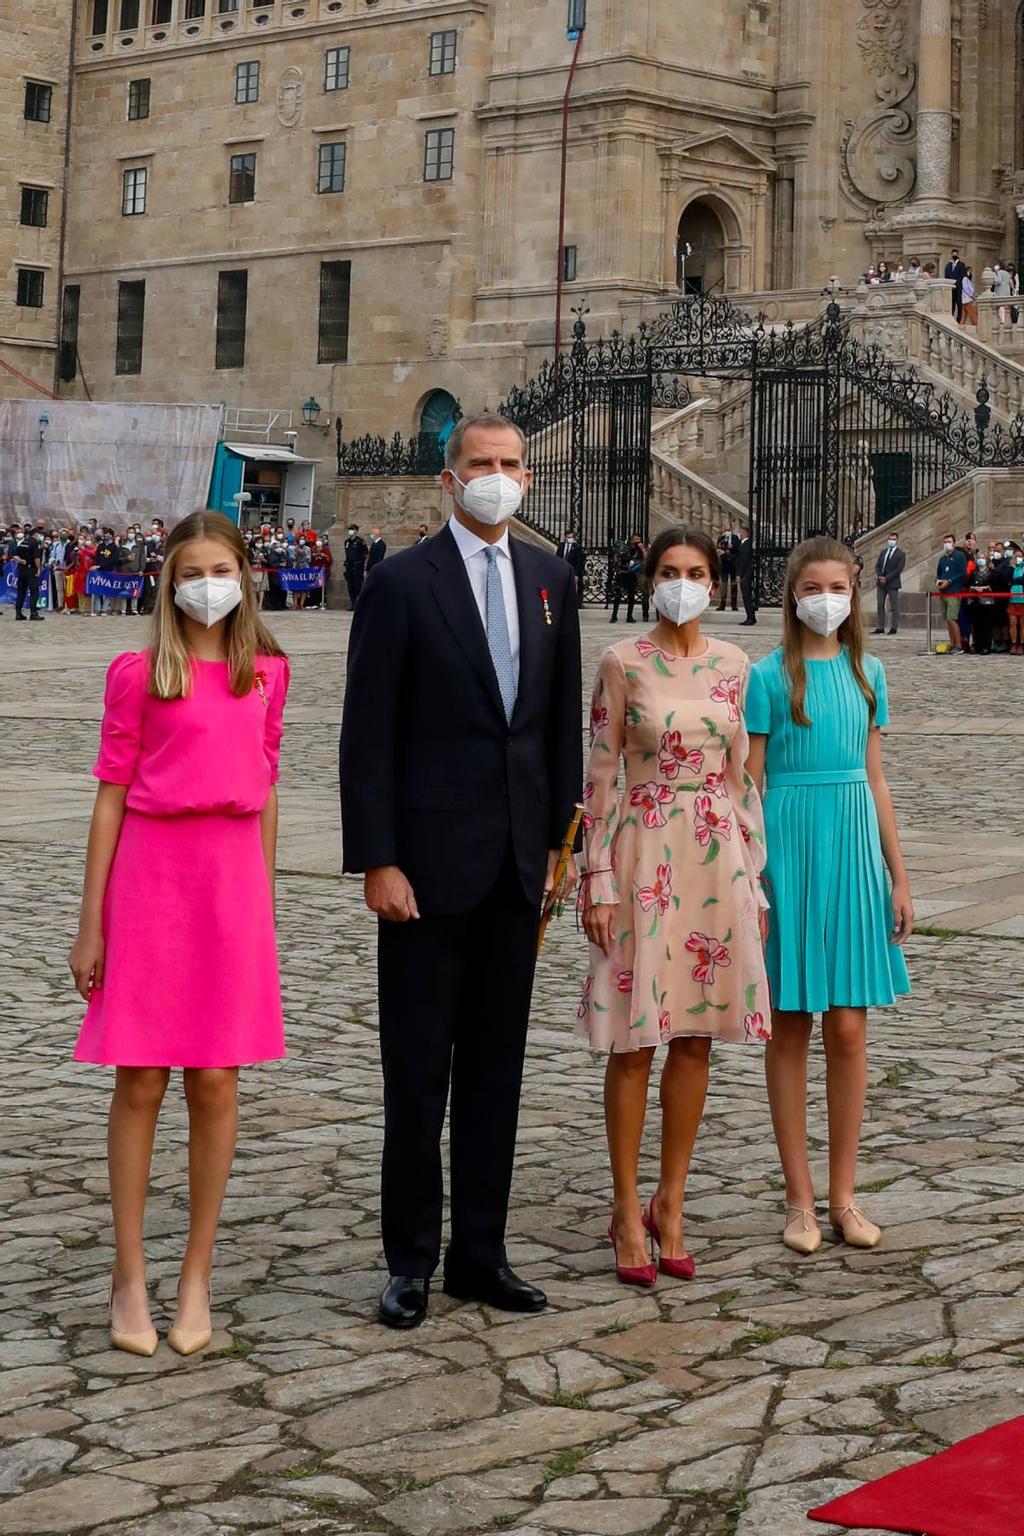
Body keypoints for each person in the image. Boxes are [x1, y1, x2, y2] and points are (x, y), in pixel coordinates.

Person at [339, 412, 582, 1330]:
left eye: (511, 464)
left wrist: (561, 847)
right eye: (481, 463)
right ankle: (410, 1258)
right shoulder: (403, 583)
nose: (497, 477)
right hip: (426, 871)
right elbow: (368, 736)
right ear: (450, 479)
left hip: (519, 866)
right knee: (417, 1074)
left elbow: (556, 727)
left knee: (496, 1072)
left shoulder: (552, 579)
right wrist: (378, 859)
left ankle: (481, 1252)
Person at [68, 510, 289, 1358]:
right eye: (192, 571)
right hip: (152, 877)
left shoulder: (268, 673)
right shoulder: (139, 672)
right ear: (170, 580)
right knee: (141, 1081)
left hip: (230, 882)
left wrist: (263, 911)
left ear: (244, 575)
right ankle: (129, 1272)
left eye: (221, 569)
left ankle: (196, 1272)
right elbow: (111, 795)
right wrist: (91, 923)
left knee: (218, 1082)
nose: (208, 585)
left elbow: (266, 791)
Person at [578, 527, 771, 1287]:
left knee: (697, 1039)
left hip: (716, 856)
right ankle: (625, 1207)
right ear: (649, 578)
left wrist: (752, 874)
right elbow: (598, 777)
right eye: (668, 571)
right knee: (635, 1040)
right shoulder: (621, 662)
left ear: (714, 584)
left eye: (694, 572)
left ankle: (672, 1199)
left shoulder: (734, 666)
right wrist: (595, 877)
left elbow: (740, 779)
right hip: (642, 852)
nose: (681, 582)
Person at [745, 537, 912, 1256]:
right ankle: (799, 1198)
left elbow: (875, 779)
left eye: (837, 586)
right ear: (792, 595)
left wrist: (898, 873)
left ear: (854, 593)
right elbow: (747, 783)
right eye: (812, 586)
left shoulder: (868, 671)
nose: (825, 598)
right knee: (790, 1025)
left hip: (849, 850)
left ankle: (845, 1195)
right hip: (785, 848)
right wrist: (747, 875)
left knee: (847, 1027)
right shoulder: (766, 676)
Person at [935, 534, 967, 652]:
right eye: (945, 542)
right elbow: (939, 573)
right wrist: (938, 581)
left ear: (954, 543)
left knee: (952, 618)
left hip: (954, 591)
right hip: (943, 592)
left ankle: (958, 645)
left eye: (949, 541)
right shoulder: (942, 558)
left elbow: (963, 574)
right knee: (947, 619)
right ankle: (952, 642)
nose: (947, 544)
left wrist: (950, 581)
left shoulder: (959, 556)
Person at [610, 534, 648, 624]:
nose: (637, 541)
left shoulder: (640, 549)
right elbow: (617, 557)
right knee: (618, 594)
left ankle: (629, 616)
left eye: (639, 539)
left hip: (633, 573)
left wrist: (642, 549)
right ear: (631, 539)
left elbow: (647, 559)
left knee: (631, 596)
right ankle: (614, 616)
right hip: (622, 572)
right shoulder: (624, 547)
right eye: (635, 539)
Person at [873, 530, 905, 635]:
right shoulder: (883, 552)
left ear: (897, 540)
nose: (892, 541)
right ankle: (880, 626)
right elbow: (877, 565)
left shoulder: (900, 554)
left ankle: (894, 627)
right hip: (881, 583)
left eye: (894, 539)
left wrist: (887, 578)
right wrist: (880, 576)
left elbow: (898, 569)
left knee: (894, 606)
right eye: (890, 539)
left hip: (892, 583)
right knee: (880, 604)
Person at [967, 552, 995, 655]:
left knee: (987, 625)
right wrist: (974, 588)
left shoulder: (991, 572)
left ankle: (986, 646)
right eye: (979, 558)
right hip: (975, 602)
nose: (980, 559)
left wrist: (984, 588)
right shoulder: (973, 573)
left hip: (988, 602)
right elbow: (968, 585)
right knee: (976, 624)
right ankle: (976, 645)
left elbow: (994, 585)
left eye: (983, 558)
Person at [13, 524, 44, 621]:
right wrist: (38, 569)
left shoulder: (23, 542)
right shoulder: (34, 542)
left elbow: (15, 555)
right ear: (35, 534)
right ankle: (33, 613)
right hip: (31, 570)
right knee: (34, 591)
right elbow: (37, 558)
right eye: (38, 535)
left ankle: (18, 614)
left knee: (21, 592)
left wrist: (21, 561)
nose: (39, 536)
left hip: (22, 570)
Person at [555, 527, 586, 607]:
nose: (570, 539)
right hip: (562, 570)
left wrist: (576, 574)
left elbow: (578, 562)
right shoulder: (561, 546)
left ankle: (575, 603)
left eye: (571, 537)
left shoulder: (576, 547)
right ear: (565, 537)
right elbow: (557, 557)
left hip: (572, 570)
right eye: (568, 537)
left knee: (573, 588)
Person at [716, 523, 740, 611]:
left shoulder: (735, 538)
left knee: (734, 585)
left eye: (728, 528)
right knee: (723, 585)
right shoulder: (720, 538)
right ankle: (722, 604)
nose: (726, 530)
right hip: (724, 564)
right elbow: (718, 548)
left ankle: (734, 604)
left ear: (731, 528)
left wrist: (732, 548)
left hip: (733, 564)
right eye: (725, 528)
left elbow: (738, 551)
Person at [344, 524, 368, 609]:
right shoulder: (347, 542)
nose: (350, 531)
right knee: (350, 586)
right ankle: (353, 604)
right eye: (349, 529)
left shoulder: (360, 542)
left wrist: (364, 566)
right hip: (349, 567)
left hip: (357, 566)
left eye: (352, 529)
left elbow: (365, 554)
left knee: (357, 586)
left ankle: (360, 604)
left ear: (356, 531)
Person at [738, 524, 756, 626]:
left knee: (747, 596)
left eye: (741, 532)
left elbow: (744, 560)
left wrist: (739, 574)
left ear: (745, 533)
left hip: (746, 573)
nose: (740, 534)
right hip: (745, 572)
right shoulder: (743, 544)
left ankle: (751, 617)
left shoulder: (747, 544)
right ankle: (750, 616)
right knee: (746, 596)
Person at [945, 249, 967, 323]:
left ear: (958, 255)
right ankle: (950, 317)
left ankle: (959, 319)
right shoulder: (948, 265)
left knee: (959, 303)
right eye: (953, 254)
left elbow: (963, 275)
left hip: (959, 287)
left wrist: (956, 283)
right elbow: (946, 275)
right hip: (950, 287)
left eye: (955, 254)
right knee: (951, 303)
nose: (954, 256)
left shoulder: (961, 264)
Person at [1009, 548, 1024, 654]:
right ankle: (1014, 644)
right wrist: (1010, 568)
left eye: (1020, 556)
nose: (1018, 558)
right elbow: (1006, 579)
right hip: (1012, 598)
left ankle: (1021, 644)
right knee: (1012, 623)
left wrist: (1014, 581)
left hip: (1022, 599)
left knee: (1022, 624)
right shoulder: (1010, 568)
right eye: (1016, 556)